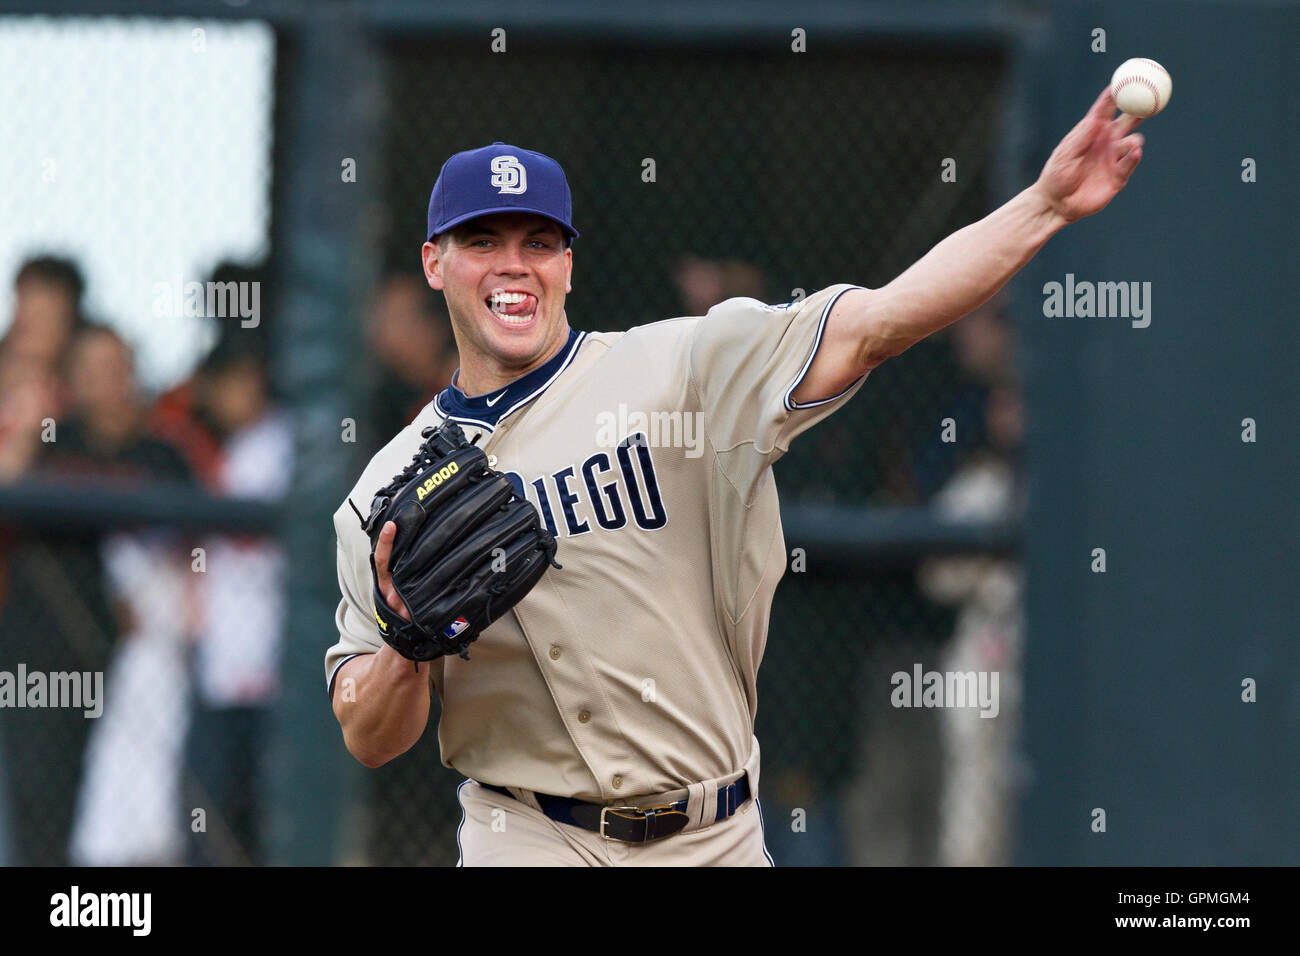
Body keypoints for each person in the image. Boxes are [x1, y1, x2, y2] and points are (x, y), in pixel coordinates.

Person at [327, 90, 1147, 866]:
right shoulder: (386, 492)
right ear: (435, 263)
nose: (514, 266)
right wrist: (406, 646)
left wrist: (1044, 206)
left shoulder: (682, 366)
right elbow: (369, 736)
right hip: (527, 833)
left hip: (709, 833)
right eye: (483, 243)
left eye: (538, 242)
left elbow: (878, 323)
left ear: (568, 263)